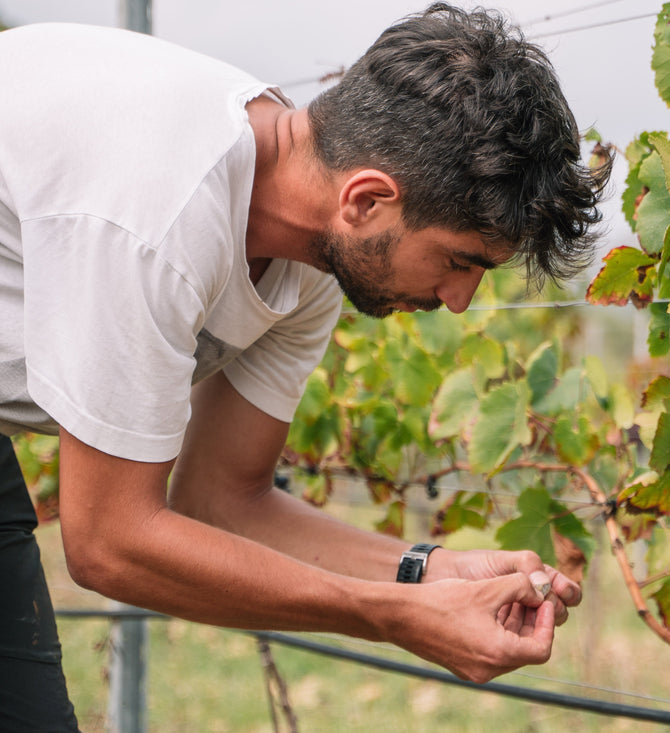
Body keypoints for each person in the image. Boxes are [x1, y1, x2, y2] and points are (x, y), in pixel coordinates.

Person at [0, 3, 611, 729]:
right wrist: (396, 616)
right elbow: (109, 542)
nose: (458, 301)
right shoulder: (161, 213)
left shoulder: (313, 253)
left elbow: (223, 501)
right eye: (459, 261)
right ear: (367, 199)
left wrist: (429, 571)